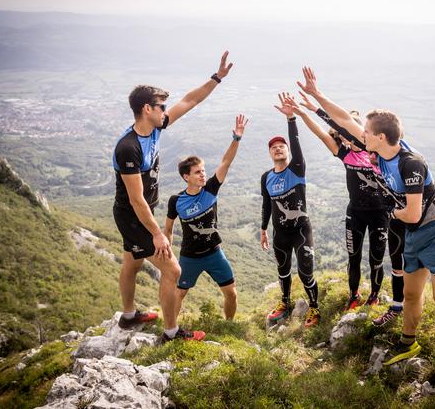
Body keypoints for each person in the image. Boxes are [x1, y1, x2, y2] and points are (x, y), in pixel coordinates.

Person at [296, 67, 435, 402]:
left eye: (366, 131)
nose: (361, 134)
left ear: (380, 136)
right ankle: (409, 343)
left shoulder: (411, 163)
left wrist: (387, 208)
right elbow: (341, 121)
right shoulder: (378, 151)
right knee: (410, 295)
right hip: (413, 235)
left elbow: (410, 212)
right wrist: (317, 96)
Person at [112, 51, 233, 342]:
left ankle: (128, 317)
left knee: (132, 263)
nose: (166, 110)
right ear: (146, 109)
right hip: (134, 215)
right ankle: (171, 332)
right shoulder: (129, 148)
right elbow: (137, 200)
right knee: (173, 270)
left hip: (139, 212)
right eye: (161, 106)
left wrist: (216, 79)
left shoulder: (154, 127)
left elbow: (189, 101)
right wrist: (157, 233)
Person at [282, 93, 388, 311]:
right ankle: (354, 294)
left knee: (376, 258)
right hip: (355, 213)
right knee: (354, 257)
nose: (349, 136)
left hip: (380, 213)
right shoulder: (344, 153)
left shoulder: (375, 153)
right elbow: (321, 134)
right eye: (344, 134)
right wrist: (301, 114)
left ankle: (375, 295)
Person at [165, 114, 248, 325]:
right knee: (179, 293)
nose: (203, 175)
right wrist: (169, 256)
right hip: (189, 257)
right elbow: (168, 229)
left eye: (203, 171)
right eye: (197, 172)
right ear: (186, 177)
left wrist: (236, 138)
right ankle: (171, 328)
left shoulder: (210, 189)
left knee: (231, 293)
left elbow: (226, 162)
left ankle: (228, 324)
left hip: (214, 253)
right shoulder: (176, 200)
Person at [261, 94, 320, 328]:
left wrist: (291, 118)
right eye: (273, 147)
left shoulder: (296, 168)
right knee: (282, 270)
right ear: (270, 153)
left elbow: (295, 143)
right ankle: (284, 303)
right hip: (279, 233)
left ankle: (314, 308)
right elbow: (267, 203)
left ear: (287, 151)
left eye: (281, 146)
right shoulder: (266, 177)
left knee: (306, 272)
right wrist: (263, 229)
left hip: (301, 230)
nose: (277, 149)